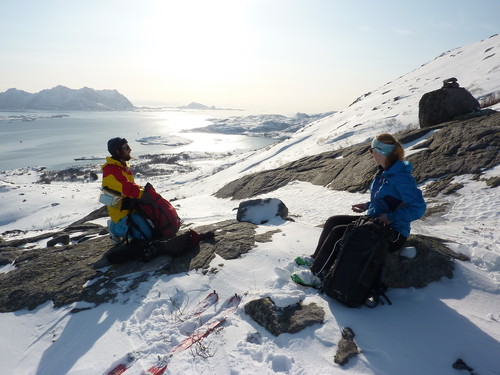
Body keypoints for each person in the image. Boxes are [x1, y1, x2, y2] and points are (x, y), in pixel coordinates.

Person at [310, 133, 426, 277]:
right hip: (376, 223)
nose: (371, 153)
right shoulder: (385, 173)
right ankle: (315, 260)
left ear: (381, 152)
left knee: (340, 233)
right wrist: (367, 205)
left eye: (372, 150)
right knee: (334, 221)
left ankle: (316, 273)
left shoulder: (400, 177)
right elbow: (389, 200)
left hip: (393, 233)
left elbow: (418, 207)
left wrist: (391, 217)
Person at [101, 137, 153, 242]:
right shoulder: (110, 170)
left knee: (156, 226)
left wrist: (145, 192)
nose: (130, 149)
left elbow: (131, 185)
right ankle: (114, 228)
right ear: (117, 151)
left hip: (132, 206)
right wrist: (145, 194)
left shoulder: (123, 165)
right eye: (126, 147)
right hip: (121, 213)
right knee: (147, 235)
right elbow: (127, 187)